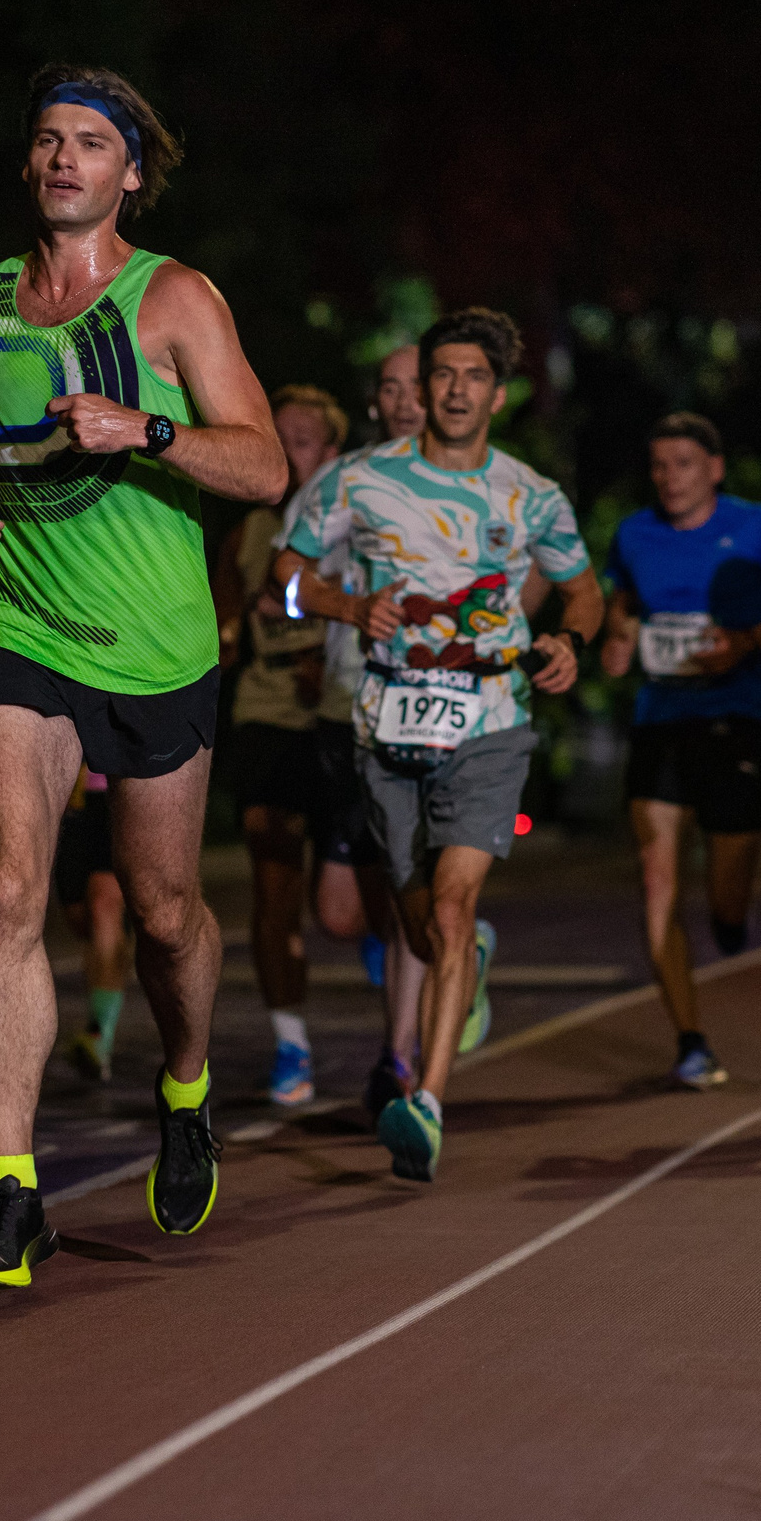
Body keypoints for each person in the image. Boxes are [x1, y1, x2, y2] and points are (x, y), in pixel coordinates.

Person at [0, 65, 285, 1287]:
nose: (63, 158)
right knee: (6, 887)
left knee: (164, 912)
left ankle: (185, 1087)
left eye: (90, 142)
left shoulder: (174, 297)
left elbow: (264, 468)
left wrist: (147, 430)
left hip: (155, 642)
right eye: (47, 138)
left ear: (130, 173)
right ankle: (11, 1189)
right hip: (18, 621)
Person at [275, 306, 599, 1182]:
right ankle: (470, 956)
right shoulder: (357, 480)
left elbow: (583, 590)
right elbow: (286, 576)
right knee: (416, 923)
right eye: (443, 375)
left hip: (491, 720)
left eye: (474, 377)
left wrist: (570, 640)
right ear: (422, 388)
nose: (456, 390)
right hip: (385, 722)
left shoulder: (530, 494)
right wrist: (346, 605)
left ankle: (426, 1101)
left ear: (498, 395)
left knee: (449, 912)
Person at [597, 413, 761, 1088]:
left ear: (714, 469)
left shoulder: (757, 525)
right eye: (660, 465)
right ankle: (690, 1040)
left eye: (684, 464)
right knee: (656, 875)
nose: (670, 478)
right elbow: (620, 600)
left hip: (736, 716)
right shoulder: (634, 532)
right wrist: (618, 635)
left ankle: (731, 913)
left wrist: (750, 642)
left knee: (727, 891)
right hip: (661, 717)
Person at [299, 344, 435, 1119]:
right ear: (375, 402)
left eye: (419, 385)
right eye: (391, 387)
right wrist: (342, 605)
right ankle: (447, 943)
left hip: (434, 710)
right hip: (347, 707)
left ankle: (400, 1057)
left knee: (411, 885)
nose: (407, 400)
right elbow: (288, 582)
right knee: (342, 912)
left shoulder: (479, 485)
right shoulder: (341, 482)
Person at [213, 383, 345, 1105]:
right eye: (279, 437)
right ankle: (290, 1042)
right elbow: (221, 614)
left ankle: (388, 945)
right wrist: (225, 633)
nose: (289, 452)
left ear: (330, 451)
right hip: (267, 710)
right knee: (270, 859)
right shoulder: (251, 530)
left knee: (345, 905)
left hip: (343, 713)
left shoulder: (358, 518)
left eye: (302, 440)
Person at [54, 767, 130, 1079]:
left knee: (104, 905)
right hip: (71, 794)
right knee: (81, 917)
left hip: (119, 784)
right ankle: (97, 1021)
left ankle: (100, 1036)